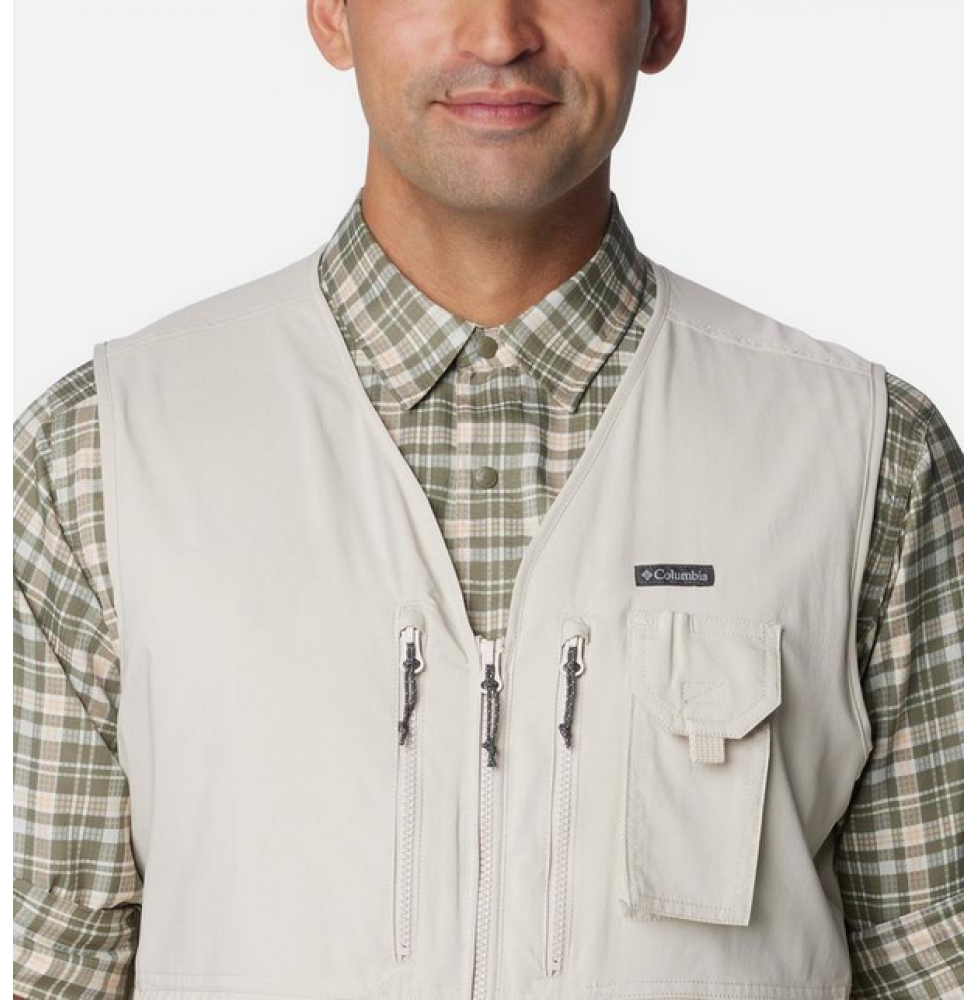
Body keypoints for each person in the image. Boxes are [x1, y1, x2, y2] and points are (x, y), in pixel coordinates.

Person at [13, 0, 962, 997]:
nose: (499, 34)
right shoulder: (101, 455)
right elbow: (49, 962)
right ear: (331, 15)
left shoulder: (864, 458)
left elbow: (932, 957)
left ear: (662, 19)